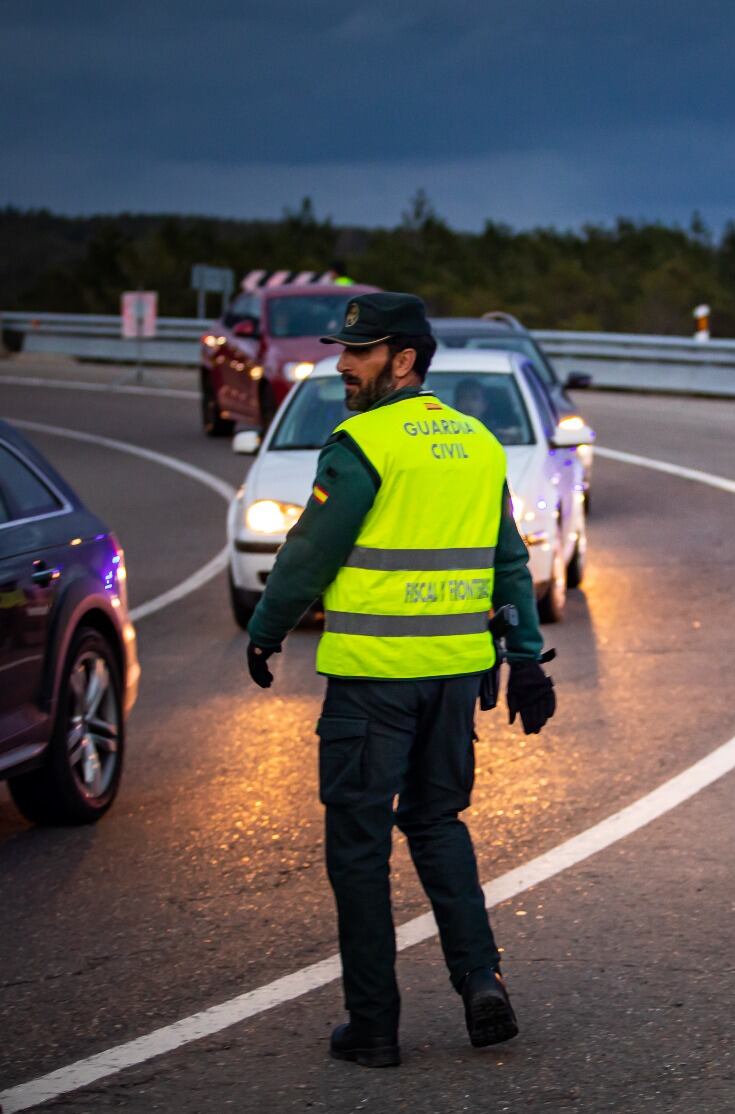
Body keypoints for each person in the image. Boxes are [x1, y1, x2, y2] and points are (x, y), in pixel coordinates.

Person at [243, 292, 556, 1068]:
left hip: (371, 683)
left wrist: (265, 631)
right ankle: (482, 982)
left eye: (360, 351)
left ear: (404, 359)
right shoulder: (478, 444)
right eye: (344, 351)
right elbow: (509, 562)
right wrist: (523, 656)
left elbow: (309, 552)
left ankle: (374, 1026)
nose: (342, 365)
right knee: (438, 824)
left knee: (358, 848)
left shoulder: (362, 443)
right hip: (454, 680)